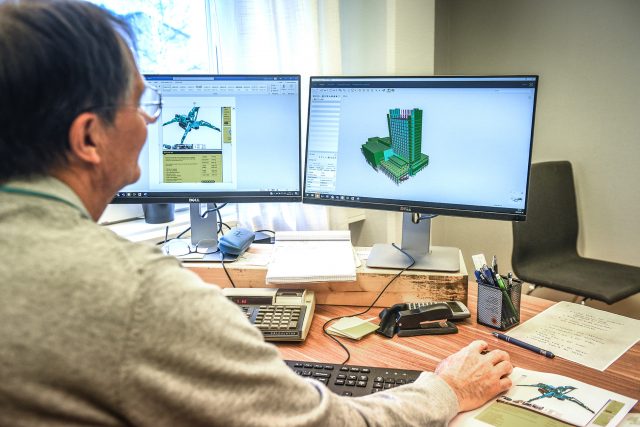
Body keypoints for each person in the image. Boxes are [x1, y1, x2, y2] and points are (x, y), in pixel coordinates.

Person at [0, 1, 513, 425]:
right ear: (89, 137)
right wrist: (446, 389)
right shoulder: (136, 294)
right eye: (141, 104)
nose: (151, 123)